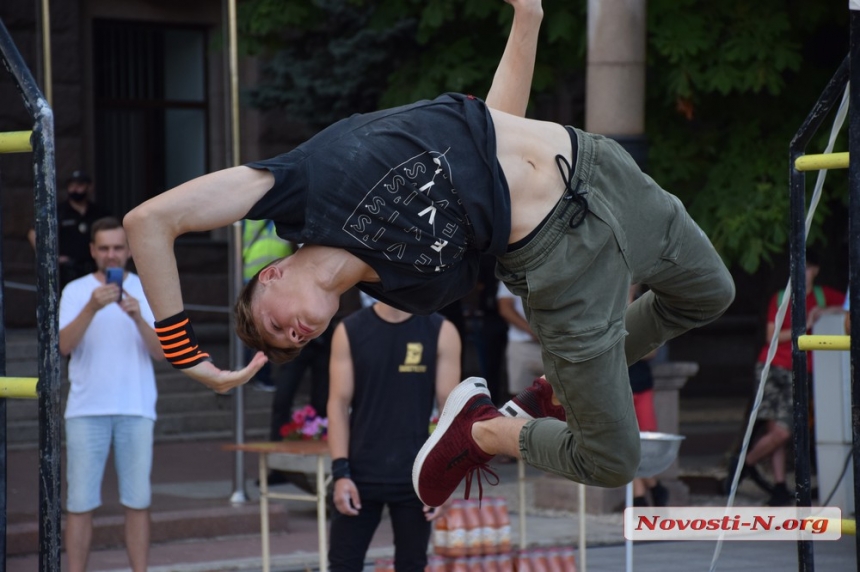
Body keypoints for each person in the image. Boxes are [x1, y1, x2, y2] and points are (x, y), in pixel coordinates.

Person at [123, 0, 734, 508]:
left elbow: (150, 219)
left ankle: (556, 390)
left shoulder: (299, 186)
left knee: (712, 293)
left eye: (276, 322)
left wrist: (528, 18)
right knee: (612, 460)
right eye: (295, 341)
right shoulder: (412, 290)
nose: (297, 330)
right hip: (565, 262)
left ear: (273, 271)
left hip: (601, 169)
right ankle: (490, 431)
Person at [59, 217, 163, 572]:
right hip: (86, 410)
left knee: (138, 501)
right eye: (104, 248)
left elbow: (161, 353)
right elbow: (63, 346)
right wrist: (91, 307)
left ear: (130, 251)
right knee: (79, 503)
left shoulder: (146, 289)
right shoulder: (75, 291)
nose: (112, 255)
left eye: (118, 248)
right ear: (92, 251)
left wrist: (137, 317)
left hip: (136, 407)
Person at [327, 300, 460, 571]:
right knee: (342, 565)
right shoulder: (350, 329)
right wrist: (340, 472)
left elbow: (452, 411)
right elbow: (338, 403)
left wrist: (445, 478)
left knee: (412, 565)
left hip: (416, 476)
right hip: (359, 473)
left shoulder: (442, 330)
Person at [727, 254, 843, 506]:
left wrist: (827, 311)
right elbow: (772, 336)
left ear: (815, 270)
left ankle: (743, 464)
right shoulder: (781, 298)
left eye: (807, 267)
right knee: (777, 430)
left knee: (782, 431)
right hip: (773, 366)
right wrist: (807, 323)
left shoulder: (823, 296)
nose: (802, 272)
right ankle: (777, 483)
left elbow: (848, 307)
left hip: (801, 371)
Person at [28, 170, 110, 288]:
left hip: (93, 268)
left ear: (89, 187)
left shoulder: (99, 212)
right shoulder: (58, 212)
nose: (75, 189)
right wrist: (51, 257)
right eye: (72, 186)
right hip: (67, 271)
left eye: (79, 185)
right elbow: (33, 233)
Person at [242, 219, 294, 392]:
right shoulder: (252, 213)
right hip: (254, 275)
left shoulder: (285, 210)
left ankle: (253, 372)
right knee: (259, 327)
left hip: (278, 277)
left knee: (267, 327)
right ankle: (255, 373)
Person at [497, 281, 542, 398]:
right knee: (521, 401)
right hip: (523, 344)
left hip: (558, 343)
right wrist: (532, 330)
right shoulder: (511, 271)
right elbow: (505, 307)